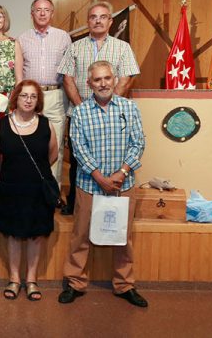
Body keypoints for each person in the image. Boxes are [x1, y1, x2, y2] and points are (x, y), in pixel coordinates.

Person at [58, 61, 147, 308]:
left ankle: (125, 285)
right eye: (97, 80)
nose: (103, 83)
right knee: (80, 235)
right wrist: (100, 178)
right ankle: (75, 282)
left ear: (114, 79)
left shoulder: (129, 108)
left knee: (123, 236)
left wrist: (121, 173)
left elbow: (138, 143)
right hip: (89, 185)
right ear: (89, 84)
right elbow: (78, 148)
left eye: (107, 78)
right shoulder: (80, 112)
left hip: (123, 184)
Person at [58, 1, 140, 215]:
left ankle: (113, 199)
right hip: (81, 112)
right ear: (88, 21)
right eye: (93, 17)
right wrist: (83, 109)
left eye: (103, 17)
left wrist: (110, 106)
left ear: (110, 21)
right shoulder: (75, 47)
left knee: (114, 156)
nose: (98, 21)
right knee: (78, 159)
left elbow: (126, 78)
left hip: (115, 113)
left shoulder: (122, 47)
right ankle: (76, 205)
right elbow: (68, 79)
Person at [0, 79, 57, 301]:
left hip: (38, 189)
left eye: (33, 96)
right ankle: (14, 279)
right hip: (12, 188)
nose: (28, 100)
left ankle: (31, 280)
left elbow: (53, 155)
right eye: (24, 95)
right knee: (13, 234)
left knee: (35, 235)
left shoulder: (47, 125)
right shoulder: (1, 124)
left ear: (38, 101)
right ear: (16, 98)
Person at [17, 0, 71, 189]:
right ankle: (30, 188)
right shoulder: (22, 39)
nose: (42, 13)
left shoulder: (63, 37)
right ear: (32, 14)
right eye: (38, 10)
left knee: (55, 146)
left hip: (55, 95)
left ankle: (52, 191)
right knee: (29, 143)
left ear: (52, 13)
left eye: (46, 10)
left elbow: (69, 71)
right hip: (30, 97)